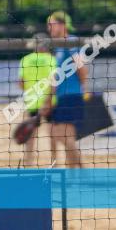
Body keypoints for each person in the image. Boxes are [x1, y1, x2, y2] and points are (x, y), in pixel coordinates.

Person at [47, 11, 86, 168]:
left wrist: (82, 88)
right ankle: (78, 170)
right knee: (60, 136)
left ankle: (78, 171)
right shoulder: (59, 47)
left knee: (63, 137)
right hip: (64, 96)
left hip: (71, 95)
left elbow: (81, 68)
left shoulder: (70, 42)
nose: (49, 28)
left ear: (62, 25)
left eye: (52, 24)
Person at [19, 32, 57, 168]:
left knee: (30, 138)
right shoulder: (51, 59)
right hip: (49, 103)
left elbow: (21, 83)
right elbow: (54, 82)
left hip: (32, 103)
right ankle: (55, 166)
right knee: (53, 136)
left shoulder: (25, 59)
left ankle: (28, 166)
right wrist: (48, 101)